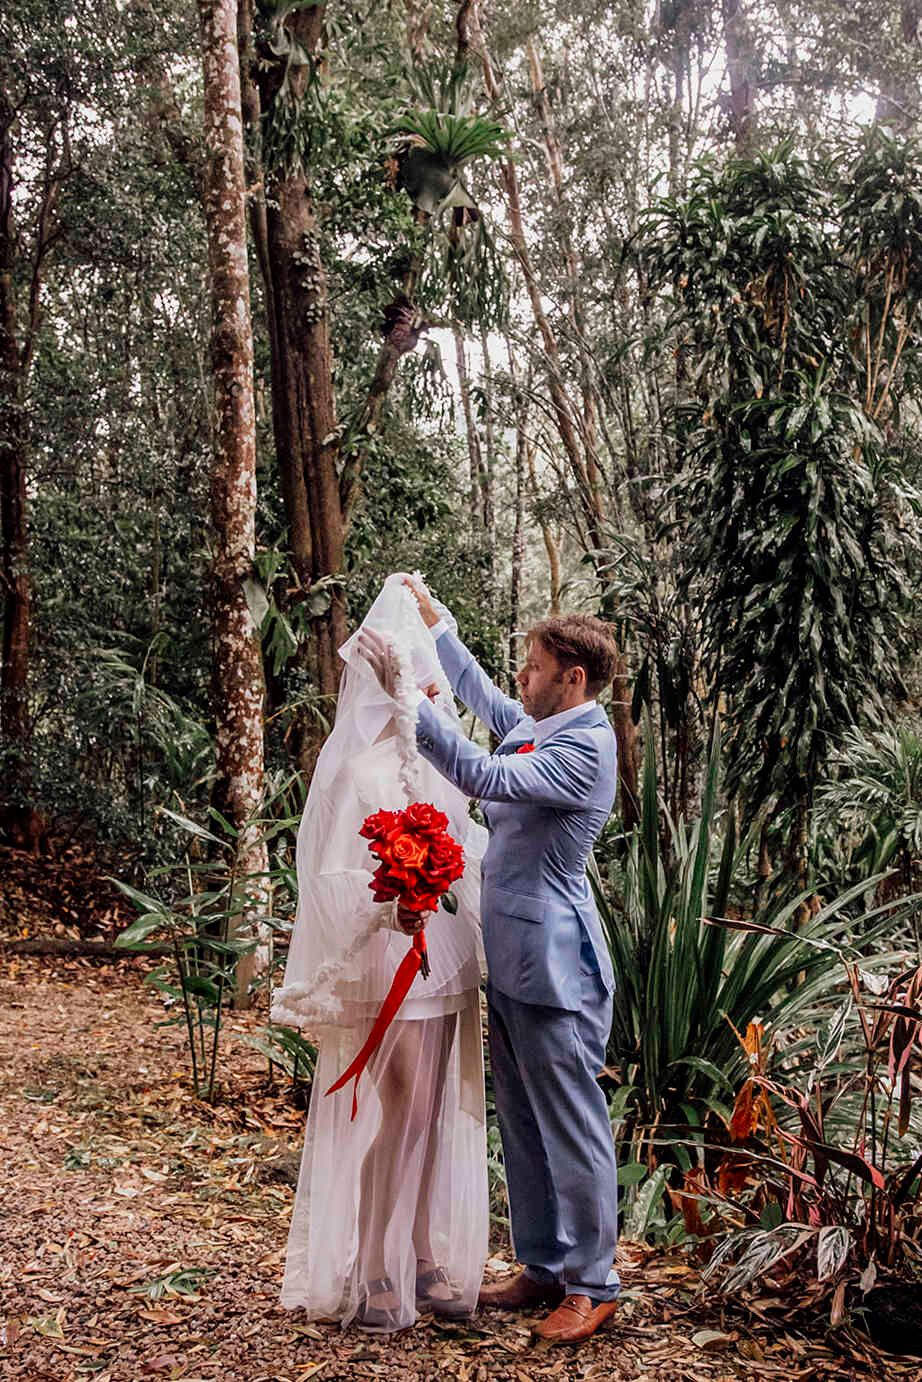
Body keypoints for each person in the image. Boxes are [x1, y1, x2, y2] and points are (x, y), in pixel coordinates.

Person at [360, 583, 621, 1344]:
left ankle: (594, 1283)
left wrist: (406, 701)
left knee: (572, 1125)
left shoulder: (585, 748)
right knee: (525, 1122)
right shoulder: (544, 726)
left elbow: (484, 776)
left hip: (556, 966)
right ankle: (543, 1264)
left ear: (572, 678)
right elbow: (486, 701)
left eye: (534, 668)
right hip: (509, 959)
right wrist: (439, 625)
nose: (522, 678)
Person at [271, 575, 489, 1332]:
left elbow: (471, 849)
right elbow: (332, 880)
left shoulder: (446, 764)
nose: (427, 691)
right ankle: (370, 1263)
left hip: (445, 955)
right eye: (413, 678)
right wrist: (392, 905)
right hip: (383, 956)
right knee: (400, 1109)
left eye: (430, 679)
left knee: (431, 1109)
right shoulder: (359, 770)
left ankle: (422, 1252)